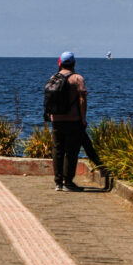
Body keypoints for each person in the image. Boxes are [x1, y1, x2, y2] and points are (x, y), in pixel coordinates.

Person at [48, 52, 86, 192]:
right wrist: (83, 118)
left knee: (58, 150)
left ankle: (58, 182)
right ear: (74, 63)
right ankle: (68, 181)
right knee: (71, 151)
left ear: (60, 63)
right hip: (73, 120)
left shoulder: (53, 78)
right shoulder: (77, 79)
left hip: (56, 119)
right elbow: (82, 100)